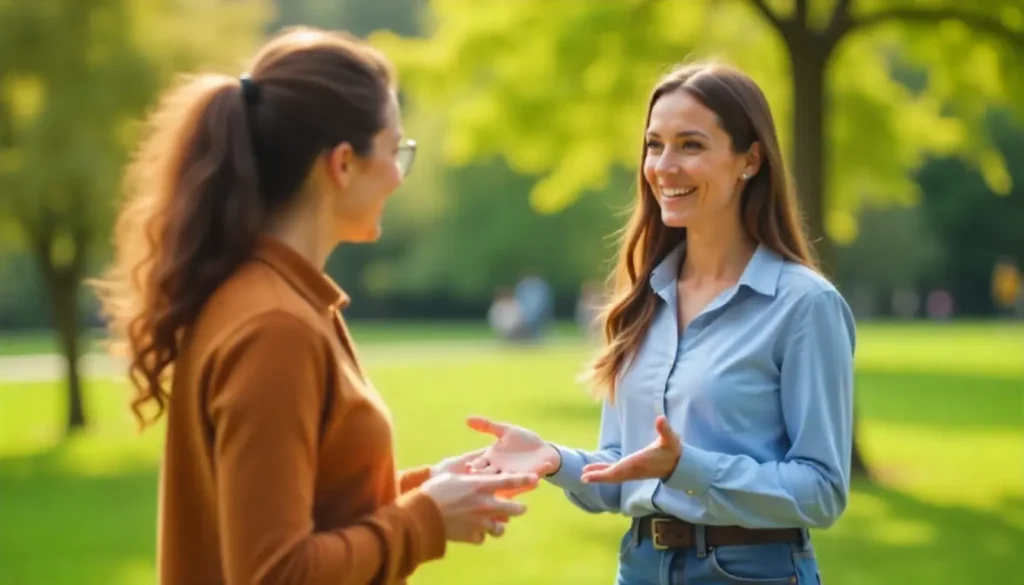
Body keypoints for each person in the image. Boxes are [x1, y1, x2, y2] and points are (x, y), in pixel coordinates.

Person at [91, 27, 538, 585]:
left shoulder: (278, 300)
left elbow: (299, 510)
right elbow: (276, 572)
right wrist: (424, 519)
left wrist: (426, 492)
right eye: (396, 149)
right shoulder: (275, 327)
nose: (400, 176)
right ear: (343, 163)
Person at [464, 61, 856, 585]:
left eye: (690, 145)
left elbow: (822, 490)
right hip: (641, 566)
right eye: (654, 145)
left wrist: (685, 467)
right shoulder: (643, 299)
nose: (664, 166)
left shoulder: (804, 305)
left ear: (750, 159)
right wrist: (554, 459)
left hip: (749, 572)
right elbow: (624, 468)